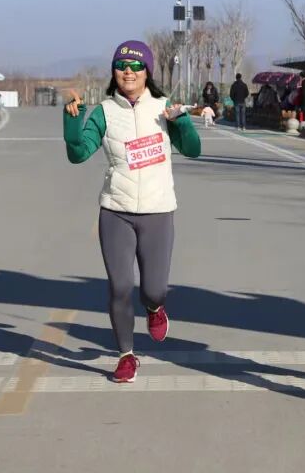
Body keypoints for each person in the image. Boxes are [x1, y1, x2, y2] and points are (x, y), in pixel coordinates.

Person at [62, 40, 201, 383]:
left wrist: (182, 122)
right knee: (120, 286)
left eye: (136, 66)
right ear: (113, 72)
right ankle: (126, 355)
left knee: (154, 289)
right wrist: (72, 126)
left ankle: (154, 308)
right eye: (121, 65)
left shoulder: (164, 108)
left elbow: (193, 150)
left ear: (147, 72)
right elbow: (78, 155)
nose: (128, 71)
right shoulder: (104, 112)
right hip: (116, 211)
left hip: (158, 212)